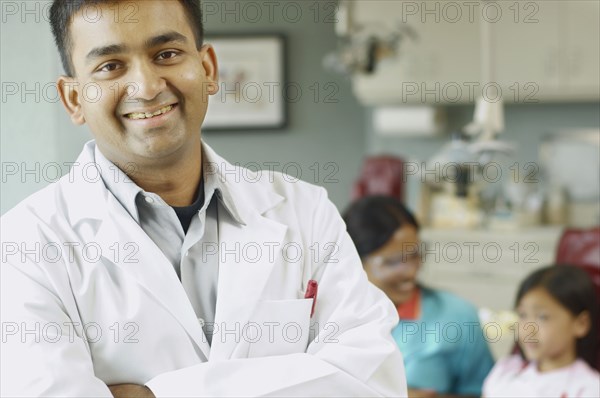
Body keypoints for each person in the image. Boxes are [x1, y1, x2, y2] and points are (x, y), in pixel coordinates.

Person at [0, 1, 408, 396]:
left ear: (208, 68)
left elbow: (372, 382)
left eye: (167, 53)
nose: (146, 86)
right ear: (74, 98)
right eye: (110, 66)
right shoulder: (25, 245)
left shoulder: (305, 210)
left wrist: (159, 395)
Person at [343, 196, 495, 397]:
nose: (411, 272)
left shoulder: (457, 315)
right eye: (393, 262)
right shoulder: (330, 319)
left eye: (415, 255)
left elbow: (487, 392)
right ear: (355, 262)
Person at [482, 265, 600, 397]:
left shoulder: (587, 389)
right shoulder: (506, 370)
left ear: (580, 324)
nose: (528, 329)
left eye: (542, 317)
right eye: (522, 315)